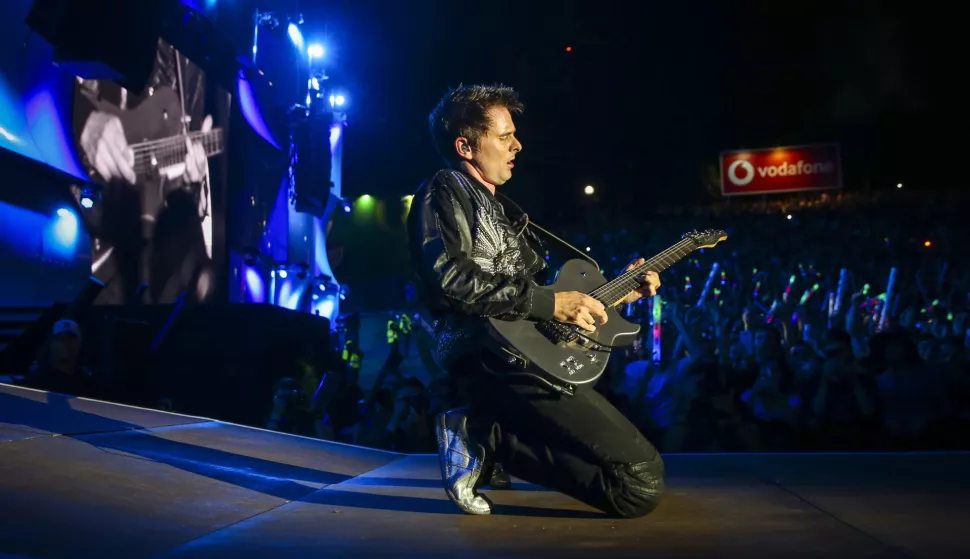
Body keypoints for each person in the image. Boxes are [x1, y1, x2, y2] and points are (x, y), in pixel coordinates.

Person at [406, 84, 665, 518]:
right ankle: (484, 435)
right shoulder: (443, 189)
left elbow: (542, 309)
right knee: (640, 483)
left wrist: (621, 291)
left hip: (524, 360)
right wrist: (552, 305)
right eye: (505, 136)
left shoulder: (506, 212)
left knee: (638, 480)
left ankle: (491, 436)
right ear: (465, 146)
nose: (517, 145)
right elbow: (450, 281)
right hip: (492, 361)